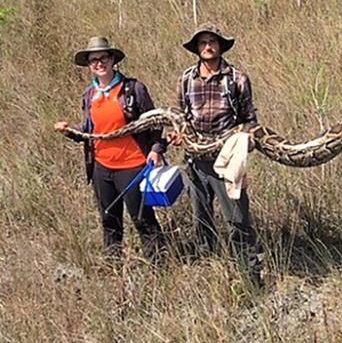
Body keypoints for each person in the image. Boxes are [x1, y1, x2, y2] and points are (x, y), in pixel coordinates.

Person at [54, 36, 166, 263]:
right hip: (101, 167)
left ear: (113, 59)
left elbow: (155, 122)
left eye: (103, 57)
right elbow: (90, 131)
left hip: (133, 165)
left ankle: (159, 266)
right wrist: (70, 131)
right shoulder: (89, 95)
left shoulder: (133, 89)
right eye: (93, 60)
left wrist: (156, 149)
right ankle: (113, 266)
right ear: (89, 65)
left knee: (142, 218)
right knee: (109, 219)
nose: (98, 63)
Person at [171, 24, 263, 284]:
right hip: (195, 160)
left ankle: (250, 274)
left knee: (237, 218)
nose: (208, 46)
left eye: (212, 42)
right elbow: (180, 116)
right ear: (197, 49)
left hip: (228, 160)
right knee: (201, 218)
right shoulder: (186, 79)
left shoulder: (237, 78)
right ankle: (209, 271)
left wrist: (244, 139)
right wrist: (178, 135)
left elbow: (249, 120)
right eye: (202, 43)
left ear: (220, 46)